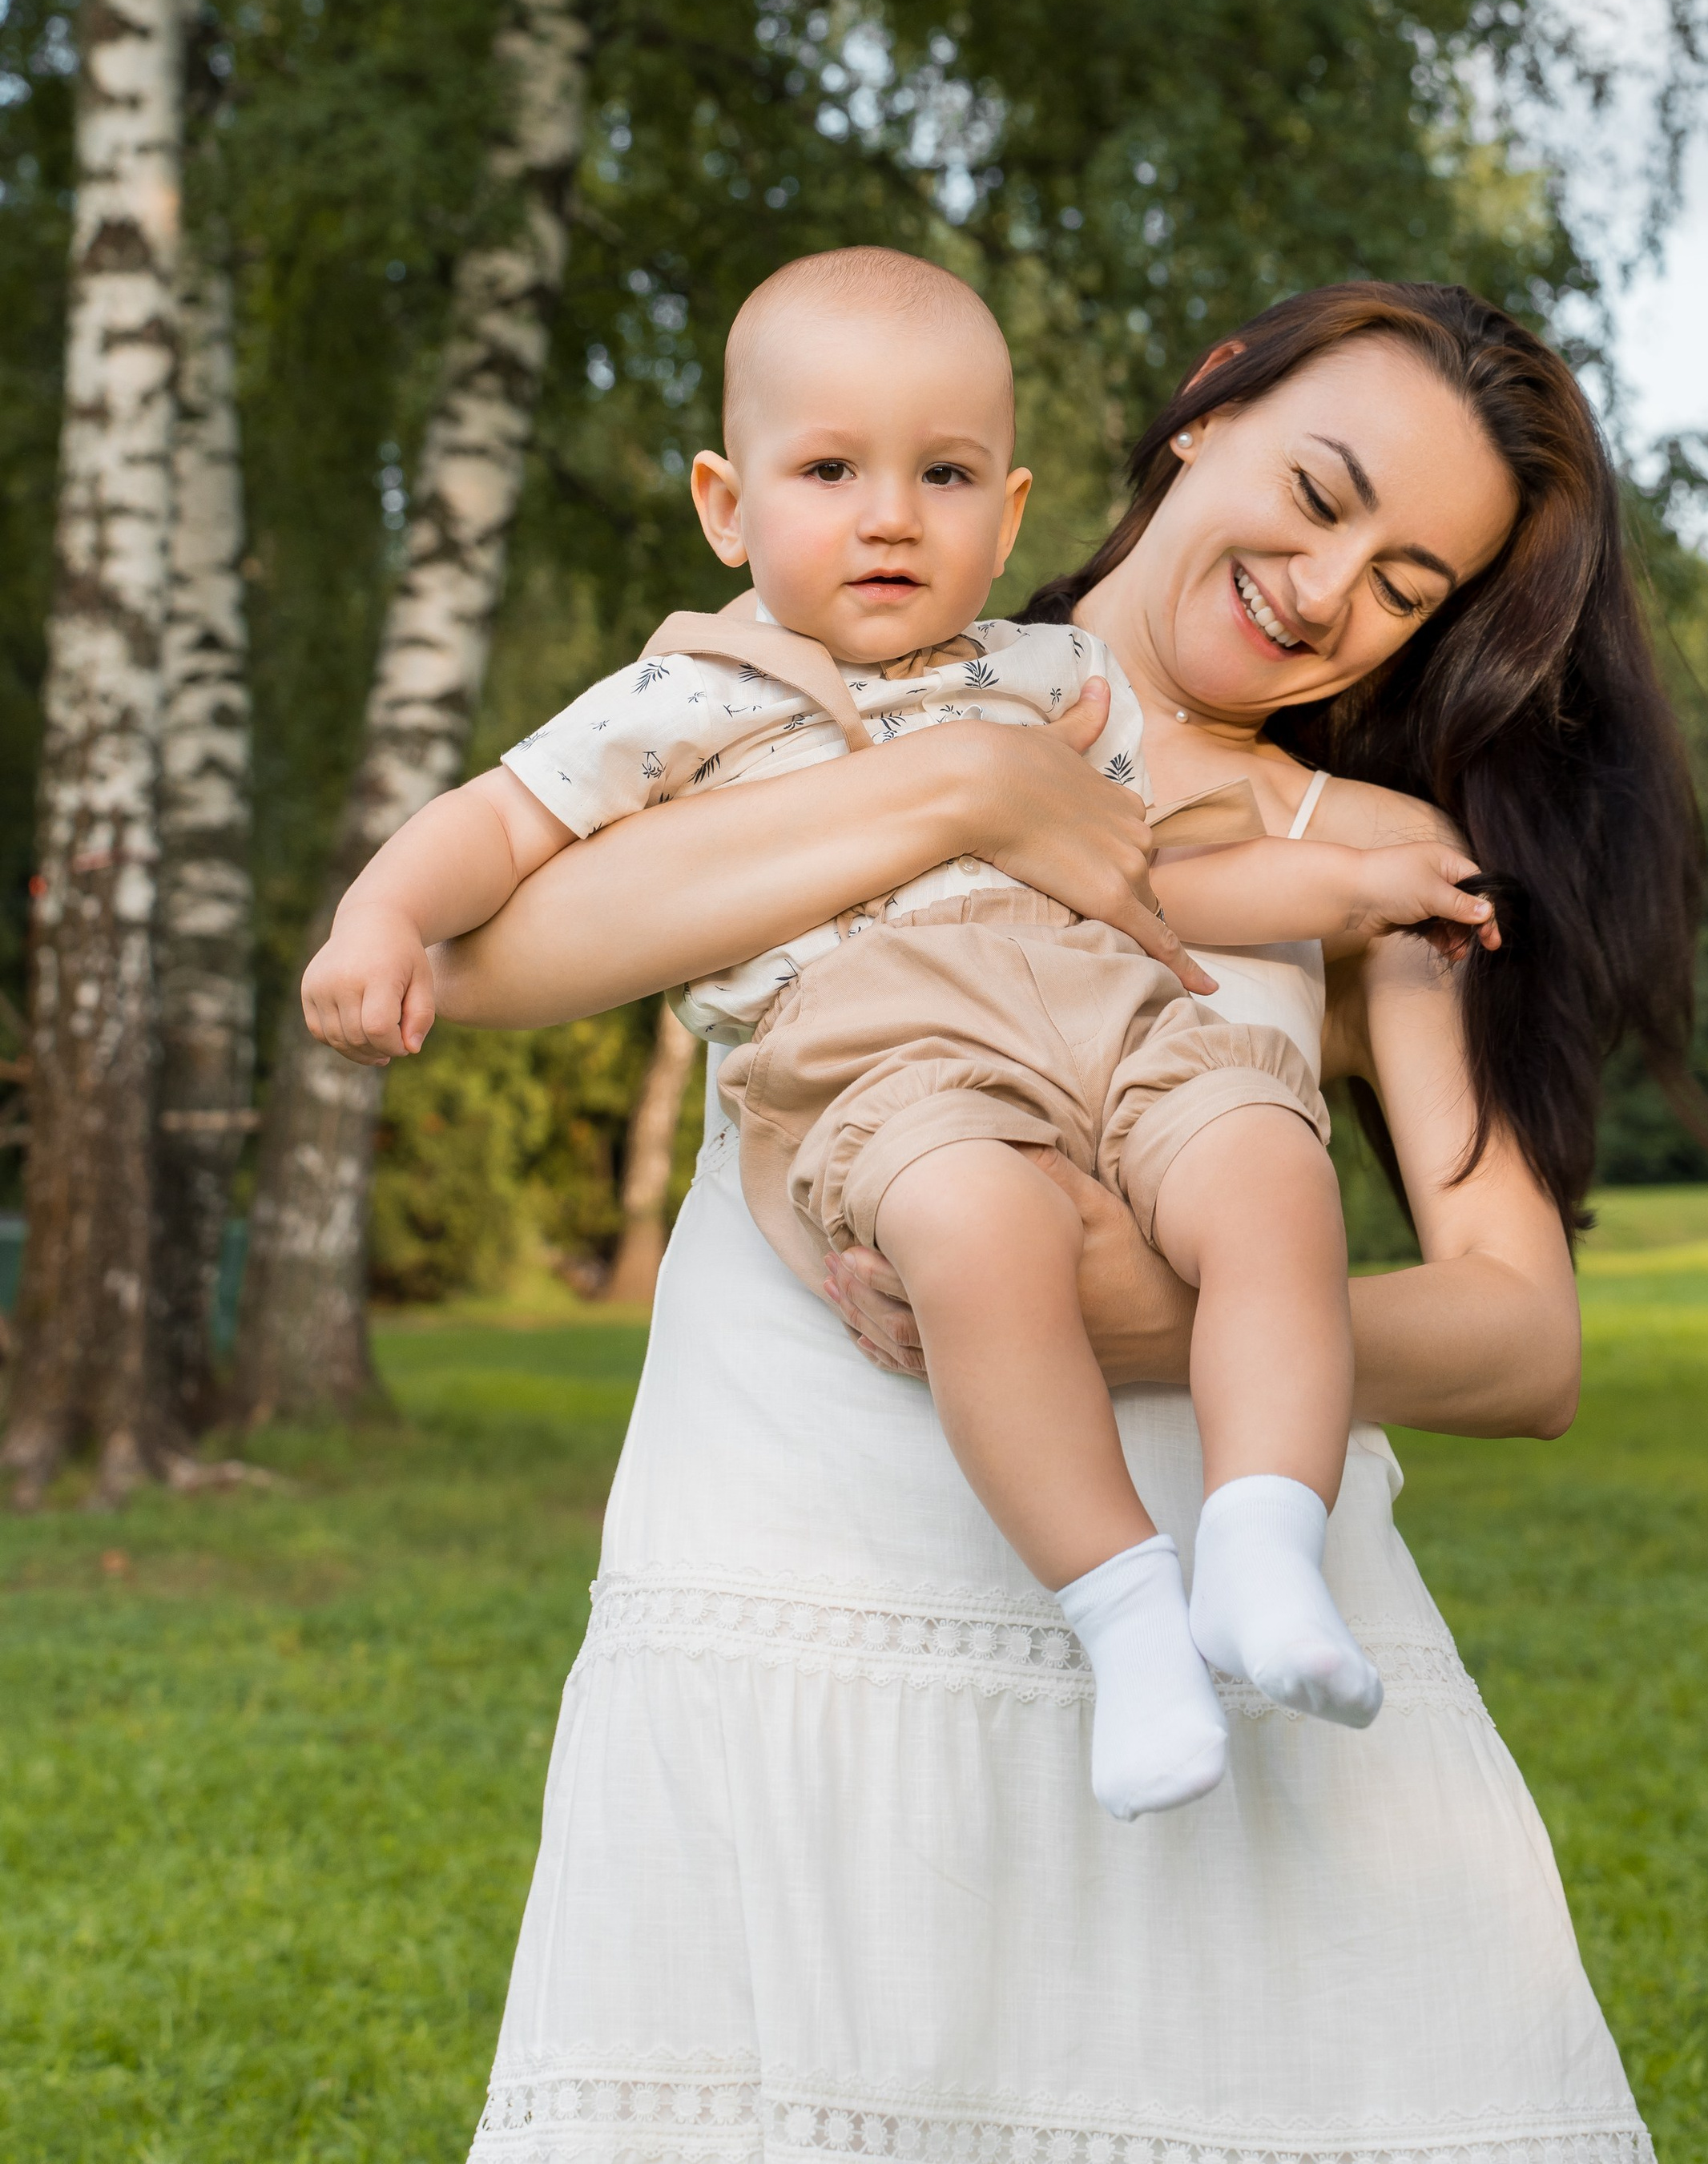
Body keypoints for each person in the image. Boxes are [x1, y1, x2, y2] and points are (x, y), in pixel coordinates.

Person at [410, 277, 1699, 2164]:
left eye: (1408, 579)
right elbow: (484, 956)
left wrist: (1126, 1320)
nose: (1325, 586)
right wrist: (950, 783)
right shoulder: (811, 684)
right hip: (798, 1602)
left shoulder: (1347, 850)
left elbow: (1523, 1335)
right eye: (1315, 489)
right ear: (1203, 410)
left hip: (1230, 1633)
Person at [304, 252, 1501, 1815]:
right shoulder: (688, 698)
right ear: (727, 509)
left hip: (1107, 1011)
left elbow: (1152, 876)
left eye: (939, 477)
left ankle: (1261, 1541)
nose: (887, 516)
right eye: (828, 472)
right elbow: (497, 827)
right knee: (974, 1222)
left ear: (1004, 518)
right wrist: (379, 921)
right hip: (897, 1060)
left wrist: (1342, 880)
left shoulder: (1047, 674)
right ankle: (1127, 1612)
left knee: (1271, 1167)